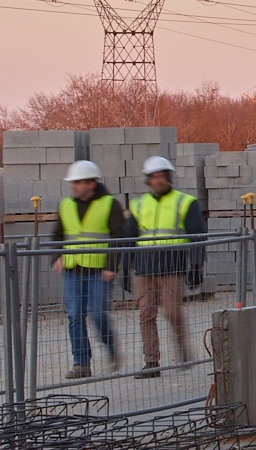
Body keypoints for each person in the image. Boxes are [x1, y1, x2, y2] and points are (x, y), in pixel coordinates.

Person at [125, 153, 206, 378]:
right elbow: (129, 237)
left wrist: (196, 266)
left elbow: (198, 235)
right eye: (153, 177)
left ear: (168, 178)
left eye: (161, 176)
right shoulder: (138, 204)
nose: (157, 180)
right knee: (146, 314)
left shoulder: (185, 202)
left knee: (171, 312)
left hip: (172, 266)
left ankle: (182, 349)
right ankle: (152, 363)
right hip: (144, 267)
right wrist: (125, 268)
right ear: (148, 180)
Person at [57, 159, 131, 378]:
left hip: (99, 271)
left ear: (91, 183)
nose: (73, 186)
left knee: (98, 314)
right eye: (72, 182)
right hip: (72, 269)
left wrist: (112, 266)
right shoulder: (66, 205)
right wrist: (57, 256)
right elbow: (57, 234)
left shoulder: (110, 204)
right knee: (75, 316)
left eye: (78, 182)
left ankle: (111, 347)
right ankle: (81, 363)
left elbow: (118, 237)